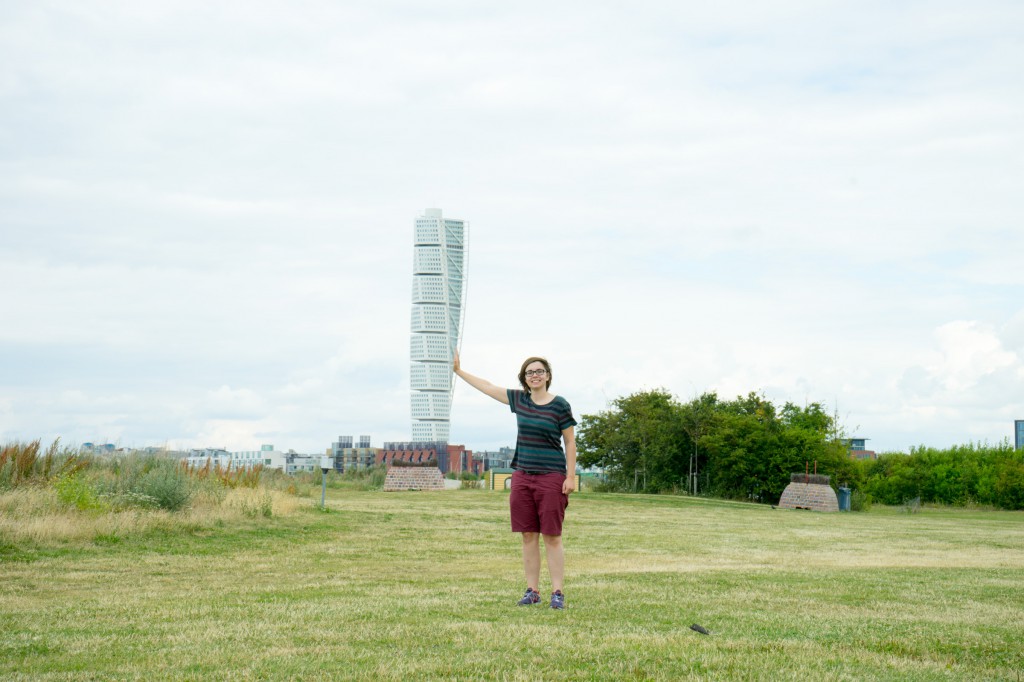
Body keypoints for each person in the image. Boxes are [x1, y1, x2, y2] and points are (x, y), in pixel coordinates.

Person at [453, 351, 577, 609]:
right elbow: (487, 387)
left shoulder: (560, 405)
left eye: (539, 371)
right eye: (530, 372)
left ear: (548, 376)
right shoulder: (520, 400)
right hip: (522, 476)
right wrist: (459, 371)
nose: (535, 375)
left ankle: (558, 592)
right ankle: (532, 590)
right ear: (524, 378)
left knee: (552, 536)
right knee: (528, 535)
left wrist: (570, 476)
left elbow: (570, 441)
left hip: (552, 477)